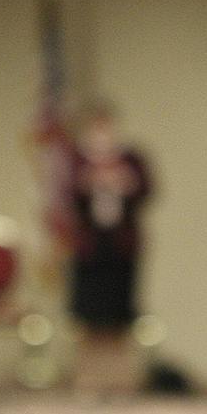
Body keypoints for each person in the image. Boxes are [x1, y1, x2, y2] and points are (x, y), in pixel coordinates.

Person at [68, 100, 153, 395]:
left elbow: (148, 189)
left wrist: (125, 182)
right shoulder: (76, 159)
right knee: (88, 316)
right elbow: (64, 194)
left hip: (121, 246)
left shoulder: (131, 157)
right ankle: (88, 381)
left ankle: (121, 380)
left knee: (120, 315)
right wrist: (88, 182)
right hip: (89, 247)